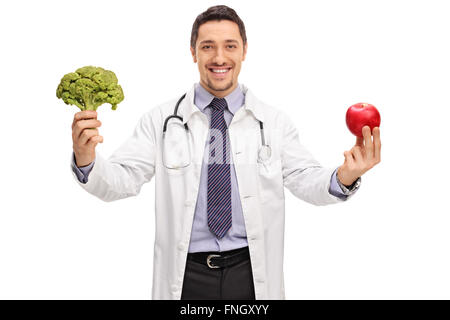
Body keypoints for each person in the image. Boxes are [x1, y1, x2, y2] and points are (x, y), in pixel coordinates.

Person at [70, 5, 381, 300]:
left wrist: (344, 176)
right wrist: (87, 160)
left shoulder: (272, 122)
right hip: (186, 275)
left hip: (249, 272)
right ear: (193, 52)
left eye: (230, 46)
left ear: (244, 50)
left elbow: (304, 178)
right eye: (207, 46)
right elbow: (122, 180)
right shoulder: (161, 120)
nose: (219, 57)